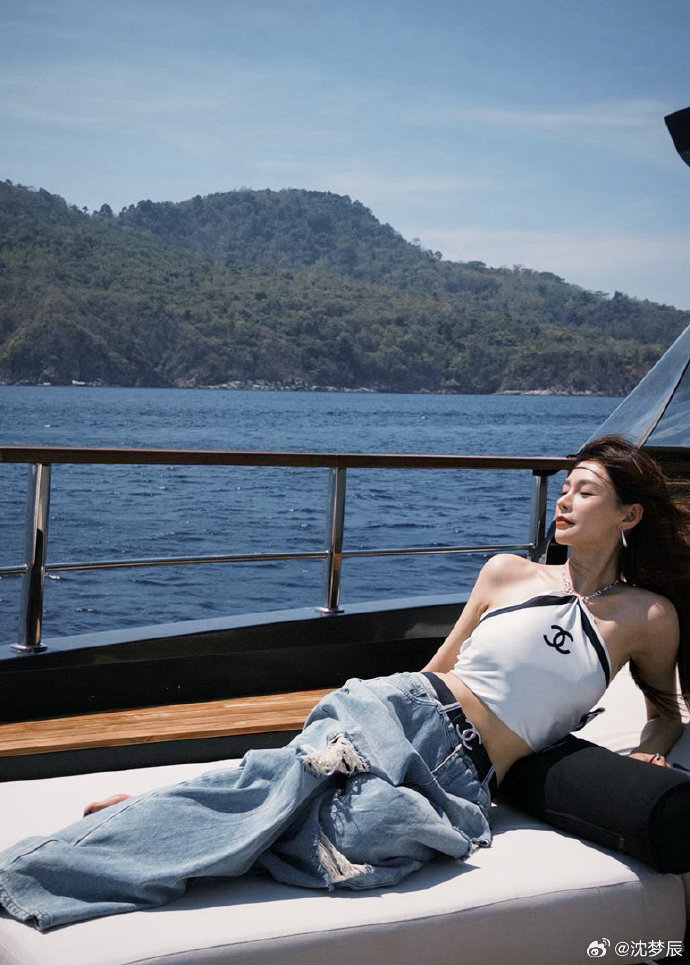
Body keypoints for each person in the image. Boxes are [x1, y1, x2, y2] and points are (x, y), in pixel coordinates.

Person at [0, 435, 688, 932]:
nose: (564, 499)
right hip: (406, 712)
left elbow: (664, 708)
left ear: (628, 515)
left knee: (368, 838)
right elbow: (437, 668)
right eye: (564, 487)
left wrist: (650, 750)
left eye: (585, 491)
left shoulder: (647, 617)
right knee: (283, 787)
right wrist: (378, 717)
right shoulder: (508, 572)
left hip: (465, 778)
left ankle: (187, 810)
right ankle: (43, 870)